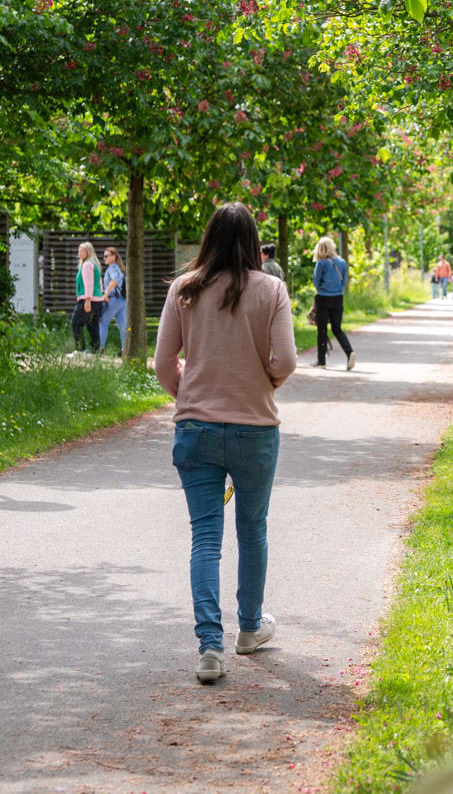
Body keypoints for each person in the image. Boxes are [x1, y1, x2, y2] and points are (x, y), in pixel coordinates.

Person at [155, 202, 297, 683]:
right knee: (252, 529)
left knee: (205, 538)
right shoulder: (271, 289)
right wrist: (263, 384)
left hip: (195, 429)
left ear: (209, 239)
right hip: (255, 429)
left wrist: (187, 394)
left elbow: (163, 363)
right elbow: (286, 360)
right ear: (253, 241)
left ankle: (210, 647)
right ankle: (250, 629)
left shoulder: (184, 289)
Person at [310, 236, 355, 370]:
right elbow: (344, 282)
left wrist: (322, 288)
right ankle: (350, 352)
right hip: (338, 298)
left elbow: (316, 281)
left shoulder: (321, 263)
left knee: (322, 330)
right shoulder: (342, 262)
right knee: (337, 329)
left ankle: (321, 361)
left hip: (323, 298)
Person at [71, 241, 102, 353]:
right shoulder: (95, 264)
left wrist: (87, 300)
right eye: (78, 251)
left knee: (75, 323)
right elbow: (99, 283)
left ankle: (80, 350)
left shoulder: (87, 265)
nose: (79, 253)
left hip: (88, 299)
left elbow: (89, 283)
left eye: (82, 251)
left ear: (88, 252)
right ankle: (95, 351)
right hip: (97, 300)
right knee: (92, 325)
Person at [98, 246, 127, 354]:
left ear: (113, 256)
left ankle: (100, 348)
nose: (104, 258)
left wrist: (106, 292)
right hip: (122, 301)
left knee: (103, 323)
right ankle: (125, 349)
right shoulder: (118, 268)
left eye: (106, 256)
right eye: (104, 256)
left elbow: (115, 280)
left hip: (113, 300)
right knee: (122, 325)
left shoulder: (112, 268)